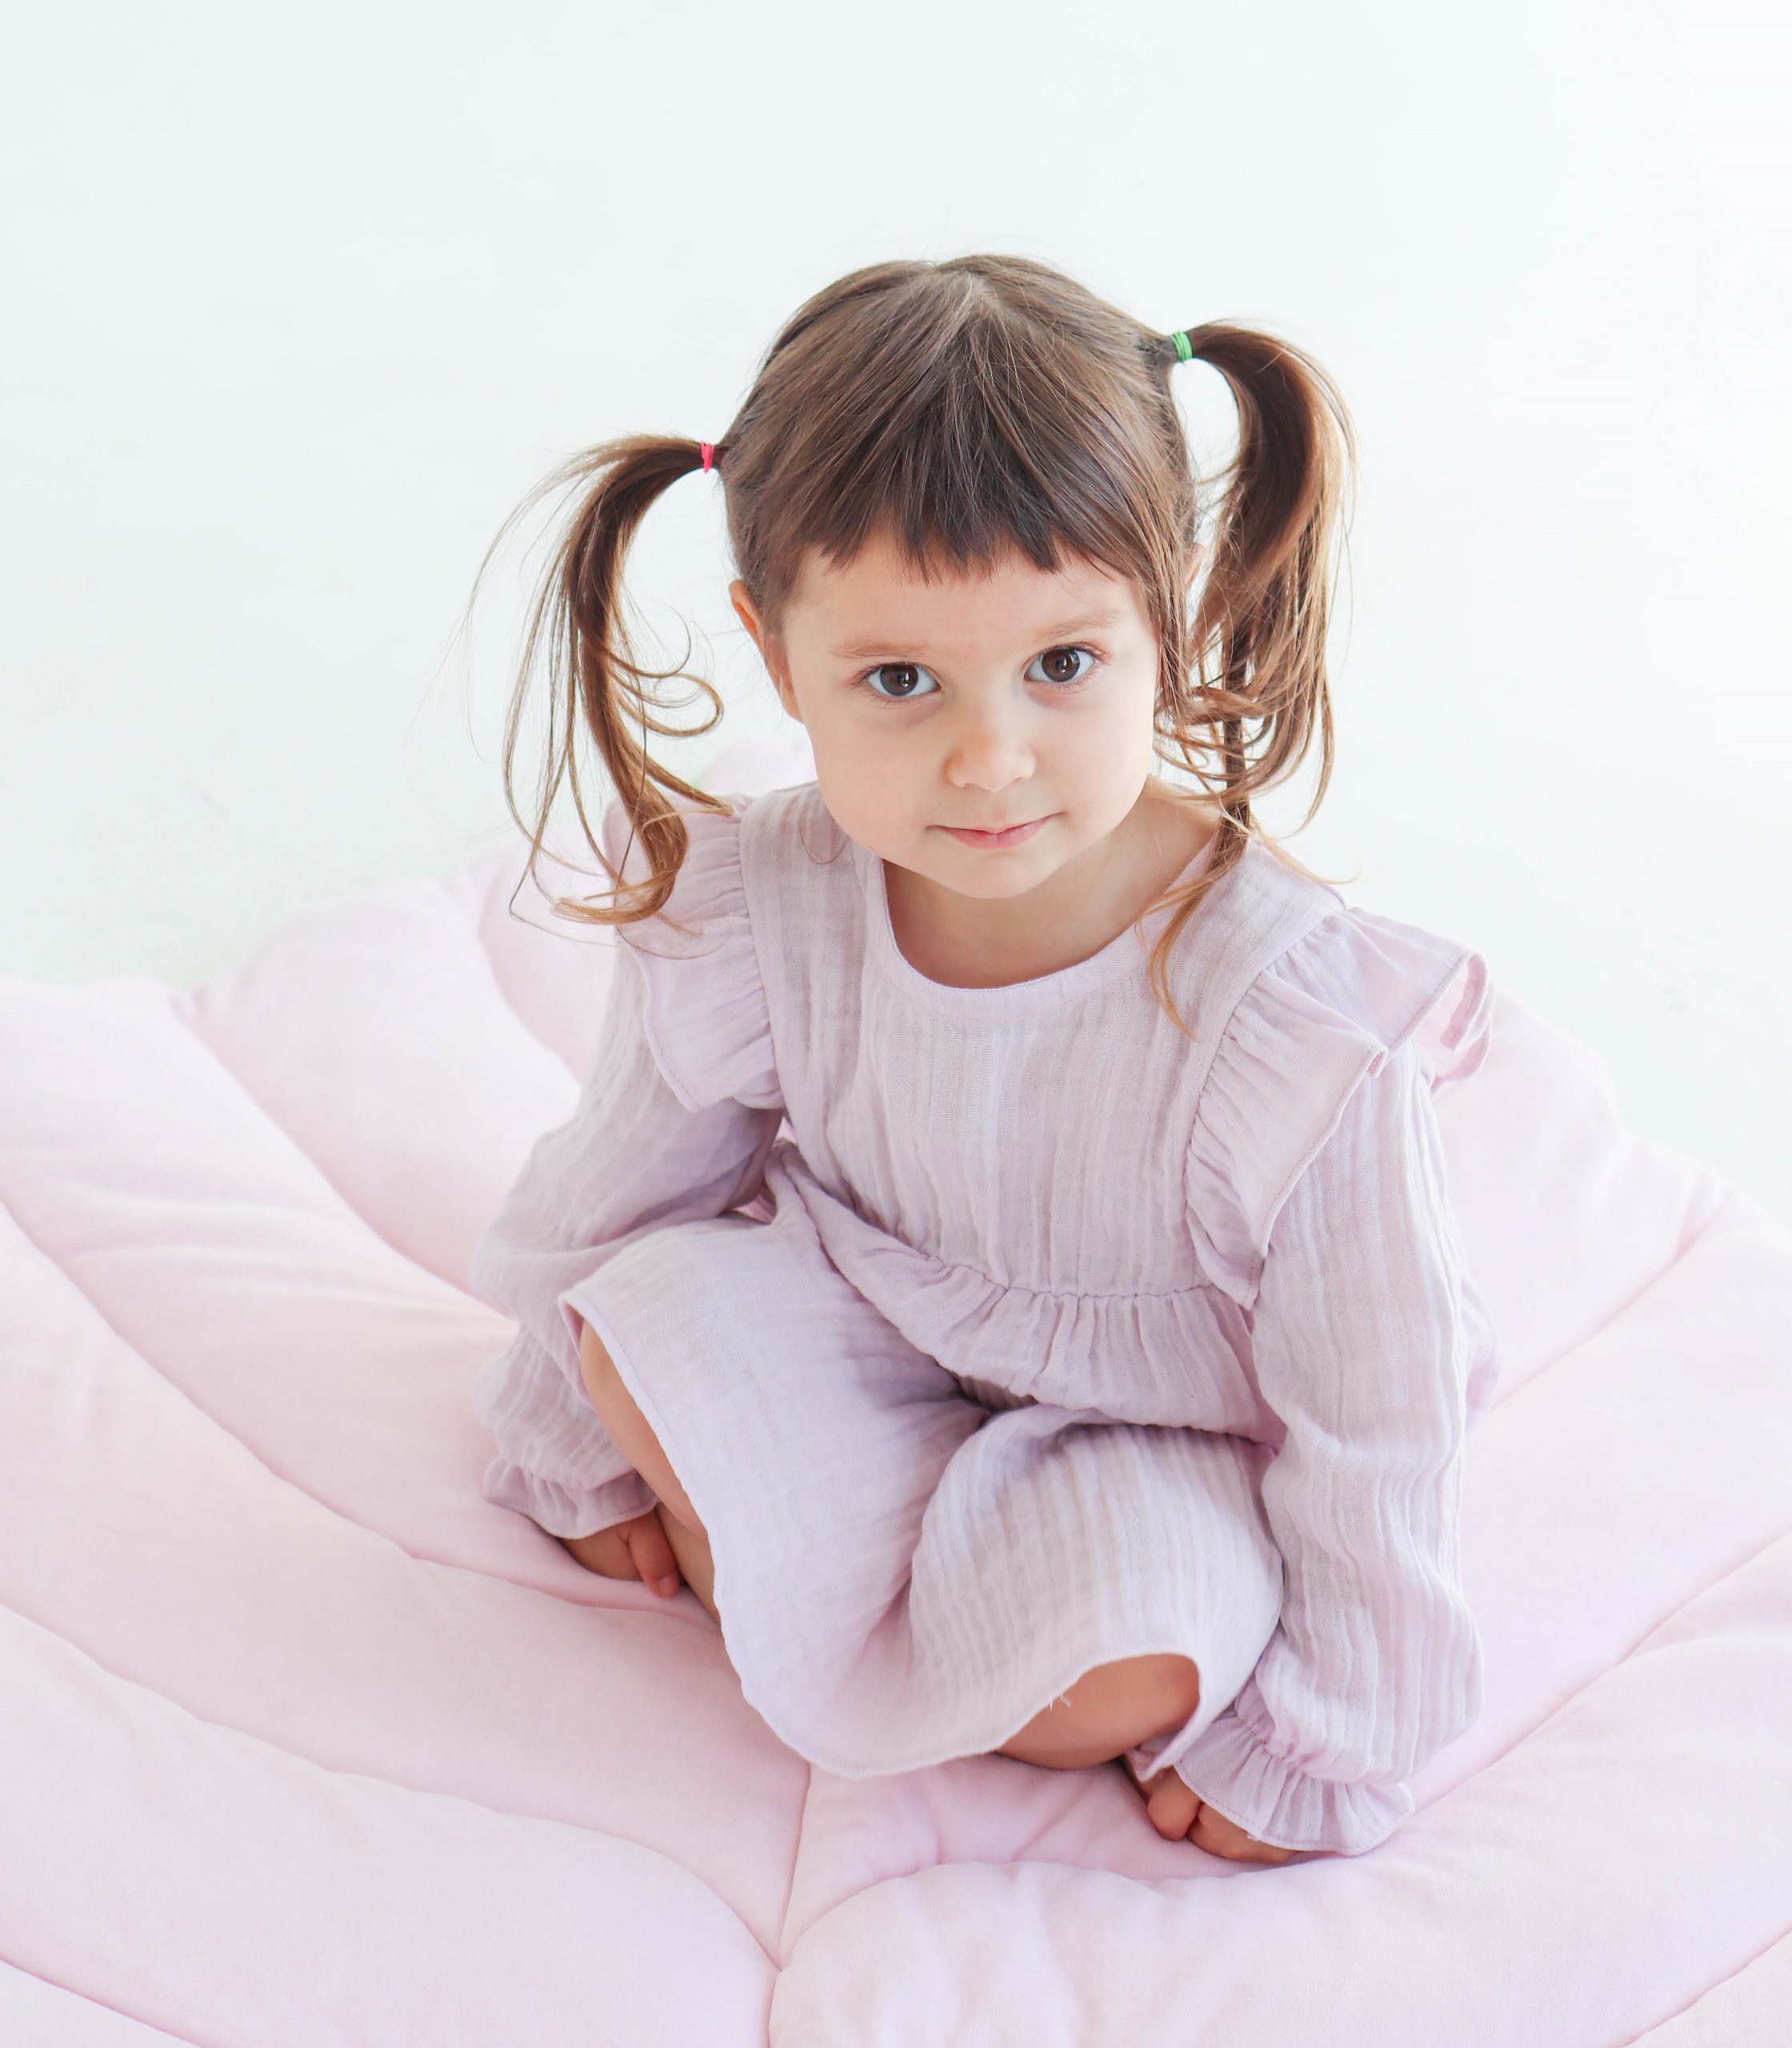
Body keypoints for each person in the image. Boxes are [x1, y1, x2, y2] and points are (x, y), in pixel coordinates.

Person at [465, 254, 1500, 1866]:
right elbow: (617, 1193)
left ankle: (841, 1607)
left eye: (1061, 667)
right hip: (870, 1323)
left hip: (1152, 1429)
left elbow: (1378, 1414)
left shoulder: (1287, 1017)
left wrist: (1322, 1743)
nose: (989, 758)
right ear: (774, 652)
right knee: (634, 1319)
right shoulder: (761, 899)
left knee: (1132, 1655)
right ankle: (866, 1594)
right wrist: (569, 1436)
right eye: (898, 681)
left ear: (1165, 615)